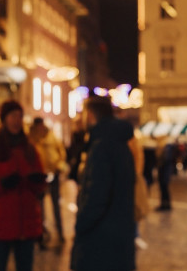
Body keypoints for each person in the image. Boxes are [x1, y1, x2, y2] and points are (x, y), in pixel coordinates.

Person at [0, 101, 46, 271]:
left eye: (20, 116)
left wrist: (37, 181)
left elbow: (40, 186)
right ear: (4, 119)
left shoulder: (29, 148)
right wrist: (2, 184)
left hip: (26, 225)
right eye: (13, 115)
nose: (17, 120)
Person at [70, 95, 137, 271]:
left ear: (90, 115)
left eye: (83, 114)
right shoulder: (119, 143)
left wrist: (81, 225)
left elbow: (96, 195)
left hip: (101, 241)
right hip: (118, 237)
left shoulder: (101, 147)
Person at [27, 117, 68, 249]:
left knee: (56, 204)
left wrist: (58, 165)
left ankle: (60, 233)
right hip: (40, 176)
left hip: (53, 173)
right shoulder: (32, 139)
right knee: (40, 207)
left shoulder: (52, 137)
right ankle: (41, 235)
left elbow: (61, 153)